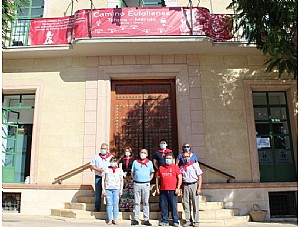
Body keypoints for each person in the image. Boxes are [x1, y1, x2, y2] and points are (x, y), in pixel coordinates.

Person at [156, 153, 182, 226]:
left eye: (170, 158)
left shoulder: (175, 168)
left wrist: (178, 187)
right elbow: (157, 178)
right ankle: (164, 220)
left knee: (174, 206)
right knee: (164, 205)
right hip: (163, 189)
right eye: (167, 158)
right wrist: (157, 188)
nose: (168, 160)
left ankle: (175, 221)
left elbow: (180, 178)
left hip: (173, 190)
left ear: (173, 159)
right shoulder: (161, 168)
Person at [131, 149, 155, 226]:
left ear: (147, 154)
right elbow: (132, 172)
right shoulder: (135, 162)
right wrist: (134, 179)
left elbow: (152, 173)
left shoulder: (150, 163)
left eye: (144, 153)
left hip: (146, 184)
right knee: (137, 202)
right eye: (141, 152)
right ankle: (136, 218)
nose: (143, 154)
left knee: (146, 202)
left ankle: (146, 219)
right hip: (137, 184)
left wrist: (149, 180)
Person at [180, 152, 203, 227]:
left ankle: (196, 221)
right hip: (185, 185)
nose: (186, 158)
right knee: (186, 203)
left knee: (195, 203)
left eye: (187, 156)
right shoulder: (182, 167)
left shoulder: (194, 164)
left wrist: (199, 188)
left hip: (194, 185)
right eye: (184, 157)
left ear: (190, 157)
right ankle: (188, 220)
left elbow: (200, 176)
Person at [90, 143, 113, 212]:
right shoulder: (96, 157)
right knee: (98, 192)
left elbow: (113, 166)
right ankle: (97, 207)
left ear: (107, 149)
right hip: (98, 177)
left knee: (108, 192)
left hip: (108, 178)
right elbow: (92, 165)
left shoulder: (111, 157)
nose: (102, 150)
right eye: (101, 148)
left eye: (104, 149)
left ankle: (109, 207)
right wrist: (99, 170)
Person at [102, 157, 124, 225]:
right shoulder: (106, 169)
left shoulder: (119, 170)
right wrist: (103, 189)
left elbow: (121, 180)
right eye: (112, 161)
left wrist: (121, 189)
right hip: (108, 188)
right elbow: (103, 179)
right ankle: (110, 219)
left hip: (116, 189)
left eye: (114, 162)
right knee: (109, 204)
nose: (113, 163)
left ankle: (115, 219)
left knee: (115, 204)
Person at [119, 147, 135, 212]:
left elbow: (134, 168)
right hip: (124, 177)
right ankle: (123, 207)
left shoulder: (133, 160)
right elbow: (120, 167)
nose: (127, 152)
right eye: (126, 151)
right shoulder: (122, 160)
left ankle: (131, 207)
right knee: (124, 192)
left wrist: (132, 175)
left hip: (131, 177)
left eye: (128, 151)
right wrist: (123, 174)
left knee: (131, 192)